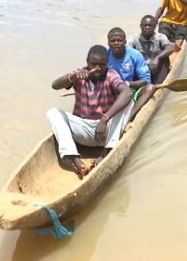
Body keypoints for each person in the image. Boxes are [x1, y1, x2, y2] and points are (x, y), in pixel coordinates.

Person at [47, 45, 133, 179]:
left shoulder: (111, 75)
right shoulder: (78, 74)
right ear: (87, 62)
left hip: (106, 132)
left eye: (102, 65)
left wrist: (104, 119)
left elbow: (126, 92)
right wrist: (73, 78)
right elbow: (55, 85)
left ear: (107, 63)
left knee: (129, 101)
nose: (97, 68)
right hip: (84, 130)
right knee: (53, 112)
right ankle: (74, 157)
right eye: (93, 64)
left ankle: (107, 152)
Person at [107, 27, 155, 122]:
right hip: (110, 90)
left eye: (119, 40)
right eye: (113, 41)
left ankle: (129, 116)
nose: (116, 43)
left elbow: (146, 80)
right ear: (108, 43)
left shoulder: (135, 55)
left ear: (125, 42)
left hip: (129, 90)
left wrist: (127, 84)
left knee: (150, 87)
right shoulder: (104, 54)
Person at [128, 15, 174, 84]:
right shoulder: (134, 39)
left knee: (162, 56)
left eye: (150, 25)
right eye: (145, 25)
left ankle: (159, 84)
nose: (147, 27)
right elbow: (126, 52)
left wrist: (157, 57)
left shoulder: (160, 37)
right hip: (141, 69)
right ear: (141, 26)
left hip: (157, 67)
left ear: (155, 27)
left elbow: (170, 48)